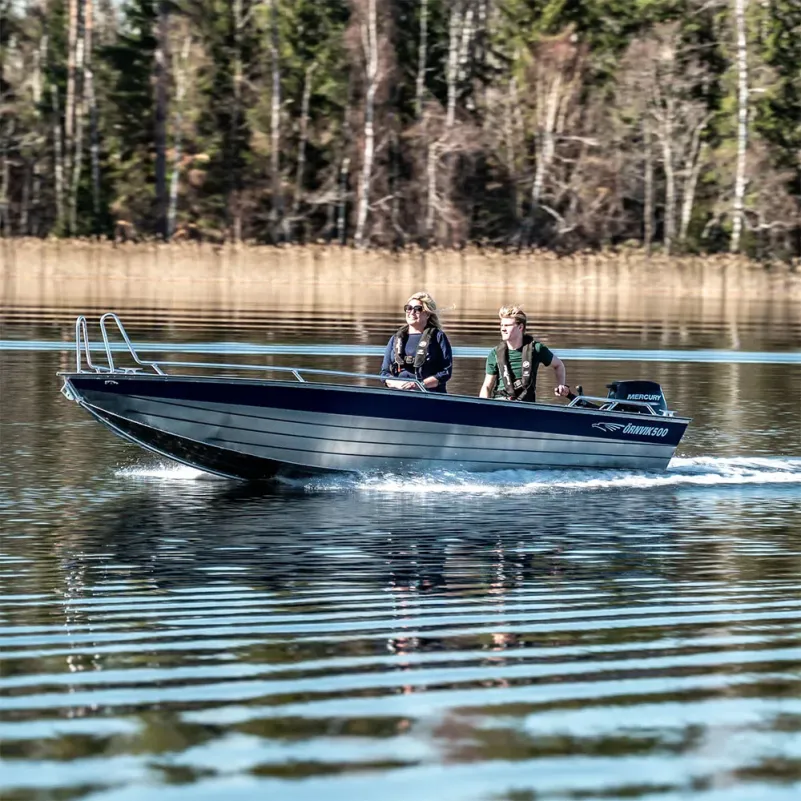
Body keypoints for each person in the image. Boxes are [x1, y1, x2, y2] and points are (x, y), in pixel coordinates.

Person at [479, 305, 569, 402]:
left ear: (520, 327)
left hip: (525, 405)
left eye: (507, 325)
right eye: (501, 325)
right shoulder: (495, 353)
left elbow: (559, 365)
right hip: (500, 403)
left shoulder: (536, 349)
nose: (503, 329)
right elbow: (487, 387)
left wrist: (561, 385)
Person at [380, 292, 453, 393]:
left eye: (417, 309)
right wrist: (398, 384)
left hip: (429, 395)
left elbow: (446, 372)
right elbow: (385, 374)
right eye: (408, 308)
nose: (412, 312)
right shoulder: (395, 339)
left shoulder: (438, 337)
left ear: (427, 314)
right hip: (399, 394)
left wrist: (419, 385)